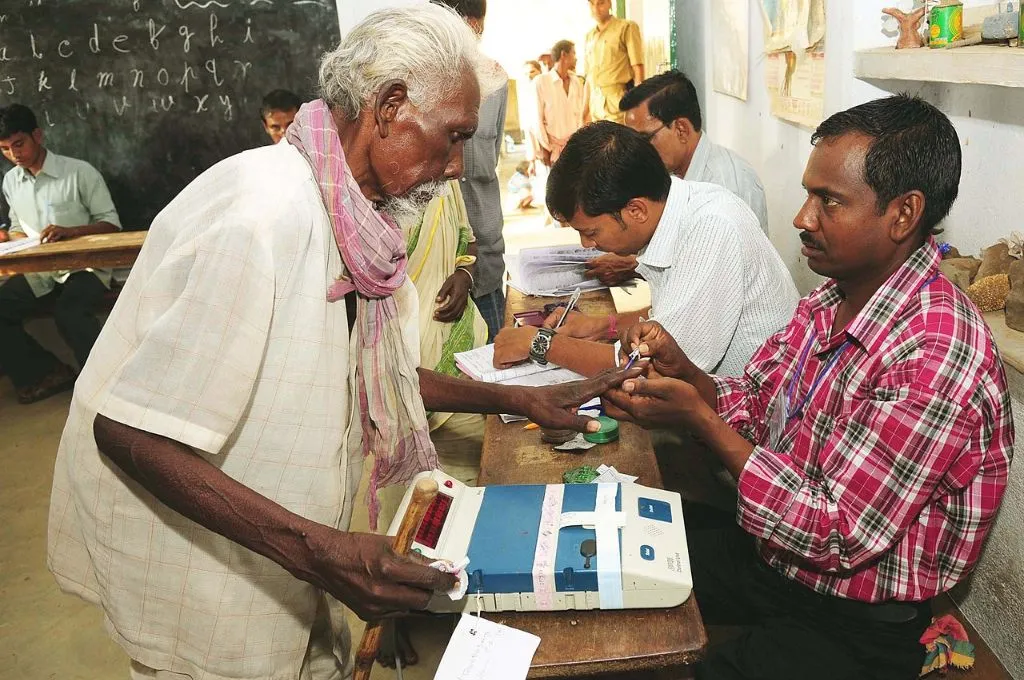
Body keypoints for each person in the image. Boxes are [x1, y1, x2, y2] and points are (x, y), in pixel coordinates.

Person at [46, 7, 633, 680]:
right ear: (387, 107)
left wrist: (516, 400)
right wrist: (321, 550)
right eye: (451, 138)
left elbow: (372, 370)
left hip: (283, 554)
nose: (453, 167)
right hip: (212, 580)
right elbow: (129, 432)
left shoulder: (355, 219)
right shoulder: (261, 216)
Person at [603, 95, 1015, 680]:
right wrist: (690, 376)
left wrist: (701, 421)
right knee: (622, 555)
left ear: (903, 213)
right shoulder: (833, 300)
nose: (802, 217)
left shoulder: (935, 354)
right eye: (807, 194)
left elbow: (836, 532)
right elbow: (755, 399)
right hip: (780, 559)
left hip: (858, 617)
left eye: (829, 201)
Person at [493, 121, 797, 380]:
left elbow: (654, 366)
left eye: (591, 231)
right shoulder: (678, 210)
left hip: (759, 424)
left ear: (636, 209)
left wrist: (541, 343)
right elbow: (668, 320)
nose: (587, 244)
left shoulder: (711, 228)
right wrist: (600, 325)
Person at [589, 70, 770, 286]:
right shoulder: (671, 172)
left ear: (681, 130)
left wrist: (633, 264)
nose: (637, 152)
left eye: (645, 139)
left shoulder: (727, 183)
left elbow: (713, 279)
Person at [0, 103, 122, 404]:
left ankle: (106, 386)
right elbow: (18, 228)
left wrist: (72, 231)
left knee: (69, 312)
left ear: (37, 136)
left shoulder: (78, 172)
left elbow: (111, 225)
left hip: (85, 267)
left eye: (19, 144)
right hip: (40, 270)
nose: (14, 155)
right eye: (4, 149)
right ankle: (46, 373)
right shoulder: (11, 181)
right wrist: (9, 239)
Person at [433, 0, 510, 343]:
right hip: (435, 267)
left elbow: (488, 159)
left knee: (495, 366)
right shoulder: (414, 82)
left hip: (486, 257)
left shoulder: (495, 80)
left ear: (476, 25)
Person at [582, 0, 644, 124]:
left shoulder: (626, 27)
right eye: (592, 4)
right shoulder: (589, 36)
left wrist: (638, 104)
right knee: (600, 142)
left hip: (618, 102)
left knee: (619, 142)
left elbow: (638, 68)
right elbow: (588, 78)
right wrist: (584, 112)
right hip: (596, 104)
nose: (596, 8)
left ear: (610, 3)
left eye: (601, 3)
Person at [535, 40, 586, 167]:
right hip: (553, 150)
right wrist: (545, 147)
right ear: (564, 55)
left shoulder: (576, 82)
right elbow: (537, 118)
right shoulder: (541, 82)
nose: (576, 58)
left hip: (575, 148)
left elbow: (580, 116)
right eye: (573, 53)